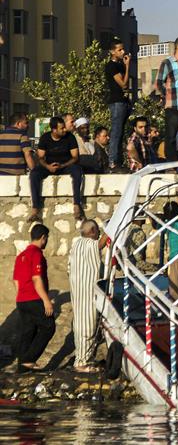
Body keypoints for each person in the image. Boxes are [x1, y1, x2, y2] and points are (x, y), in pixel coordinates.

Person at [13, 224, 55, 372]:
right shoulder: (36, 254)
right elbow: (37, 279)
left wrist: (23, 296)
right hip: (34, 298)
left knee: (28, 332)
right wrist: (46, 300)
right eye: (47, 238)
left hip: (21, 300)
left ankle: (22, 369)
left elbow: (16, 282)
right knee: (49, 326)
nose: (47, 241)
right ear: (43, 237)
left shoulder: (20, 256)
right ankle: (28, 360)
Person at [29, 116, 84, 223]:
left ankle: (77, 204)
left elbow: (75, 157)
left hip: (65, 165)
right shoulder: (45, 138)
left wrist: (62, 166)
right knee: (34, 174)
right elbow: (40, 157)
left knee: (77, 171)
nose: (64, 130)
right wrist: (47, 166)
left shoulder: (70, 137)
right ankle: (35, 208)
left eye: (64, 127)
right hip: (49, 166)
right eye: (61, 128)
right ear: (54, 130)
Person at [68, 219, 103, 373]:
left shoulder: (76, 244)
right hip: (86, 292)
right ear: (93, 232)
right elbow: (100, 244)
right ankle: (81, 362)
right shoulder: (88, 244)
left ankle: (85, 358)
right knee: (87, 325)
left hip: (78, 291)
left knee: (81, 324)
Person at [105, 38, 131, 170]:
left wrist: (125, 66)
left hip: (124, 101)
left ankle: (119, 161)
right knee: (116, 132)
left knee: (121, 132)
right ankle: (112, 161)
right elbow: (123, 84)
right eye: (119, 50)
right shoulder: (111, 66)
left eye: (123, 49)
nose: (123, 52)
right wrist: (127, 66)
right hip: (116, 102)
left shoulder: (121, 65)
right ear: (112, 52)